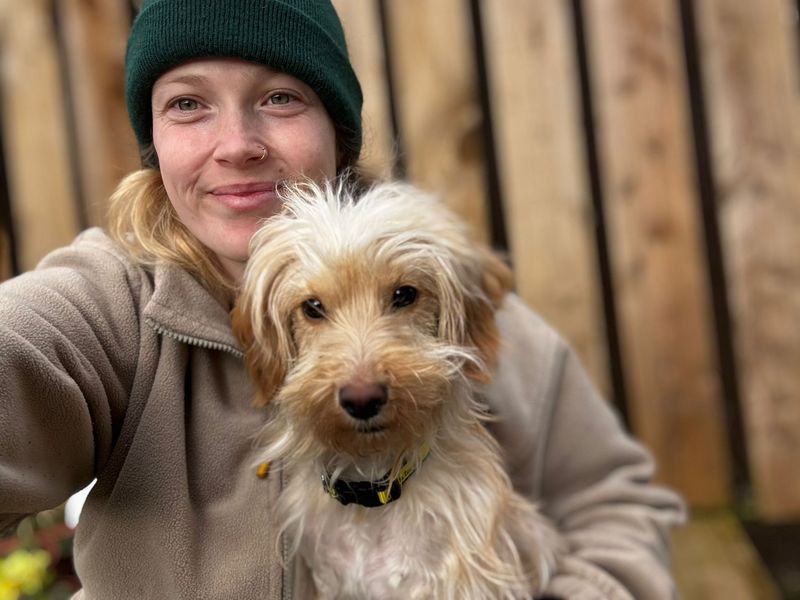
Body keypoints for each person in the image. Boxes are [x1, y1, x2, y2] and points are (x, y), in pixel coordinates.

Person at [0, 0, 685, 598]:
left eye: (280, 98)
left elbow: (613, 507)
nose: (237, 145)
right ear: (154, 142)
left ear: (337, 130)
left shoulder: (442, 279)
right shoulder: (110, 307)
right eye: (187, 103)